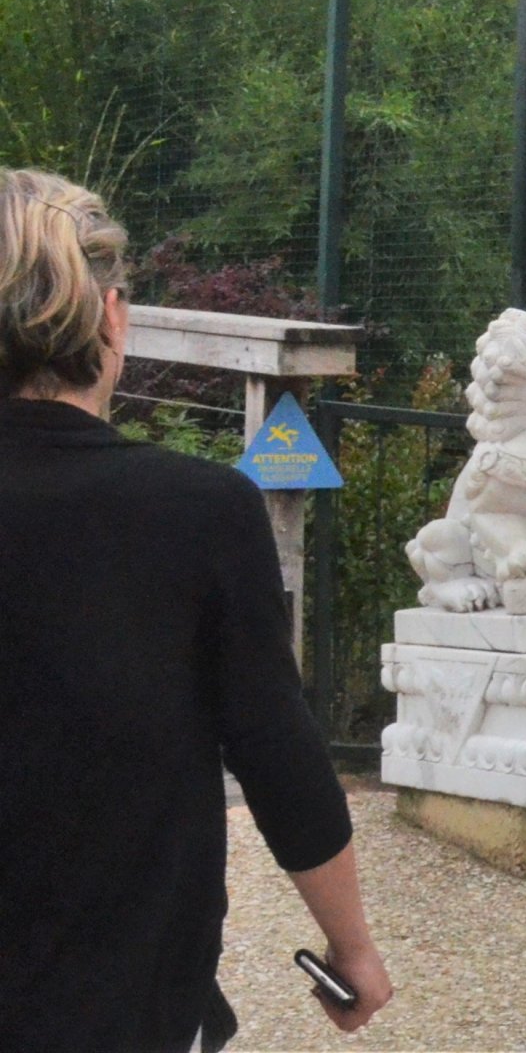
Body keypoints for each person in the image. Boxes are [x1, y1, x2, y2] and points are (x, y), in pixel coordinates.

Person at [0, 170, 393, 1049]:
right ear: (111, 316)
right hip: (124, 997)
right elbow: (276, 751)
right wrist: (353, 945)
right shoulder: (197, 511)